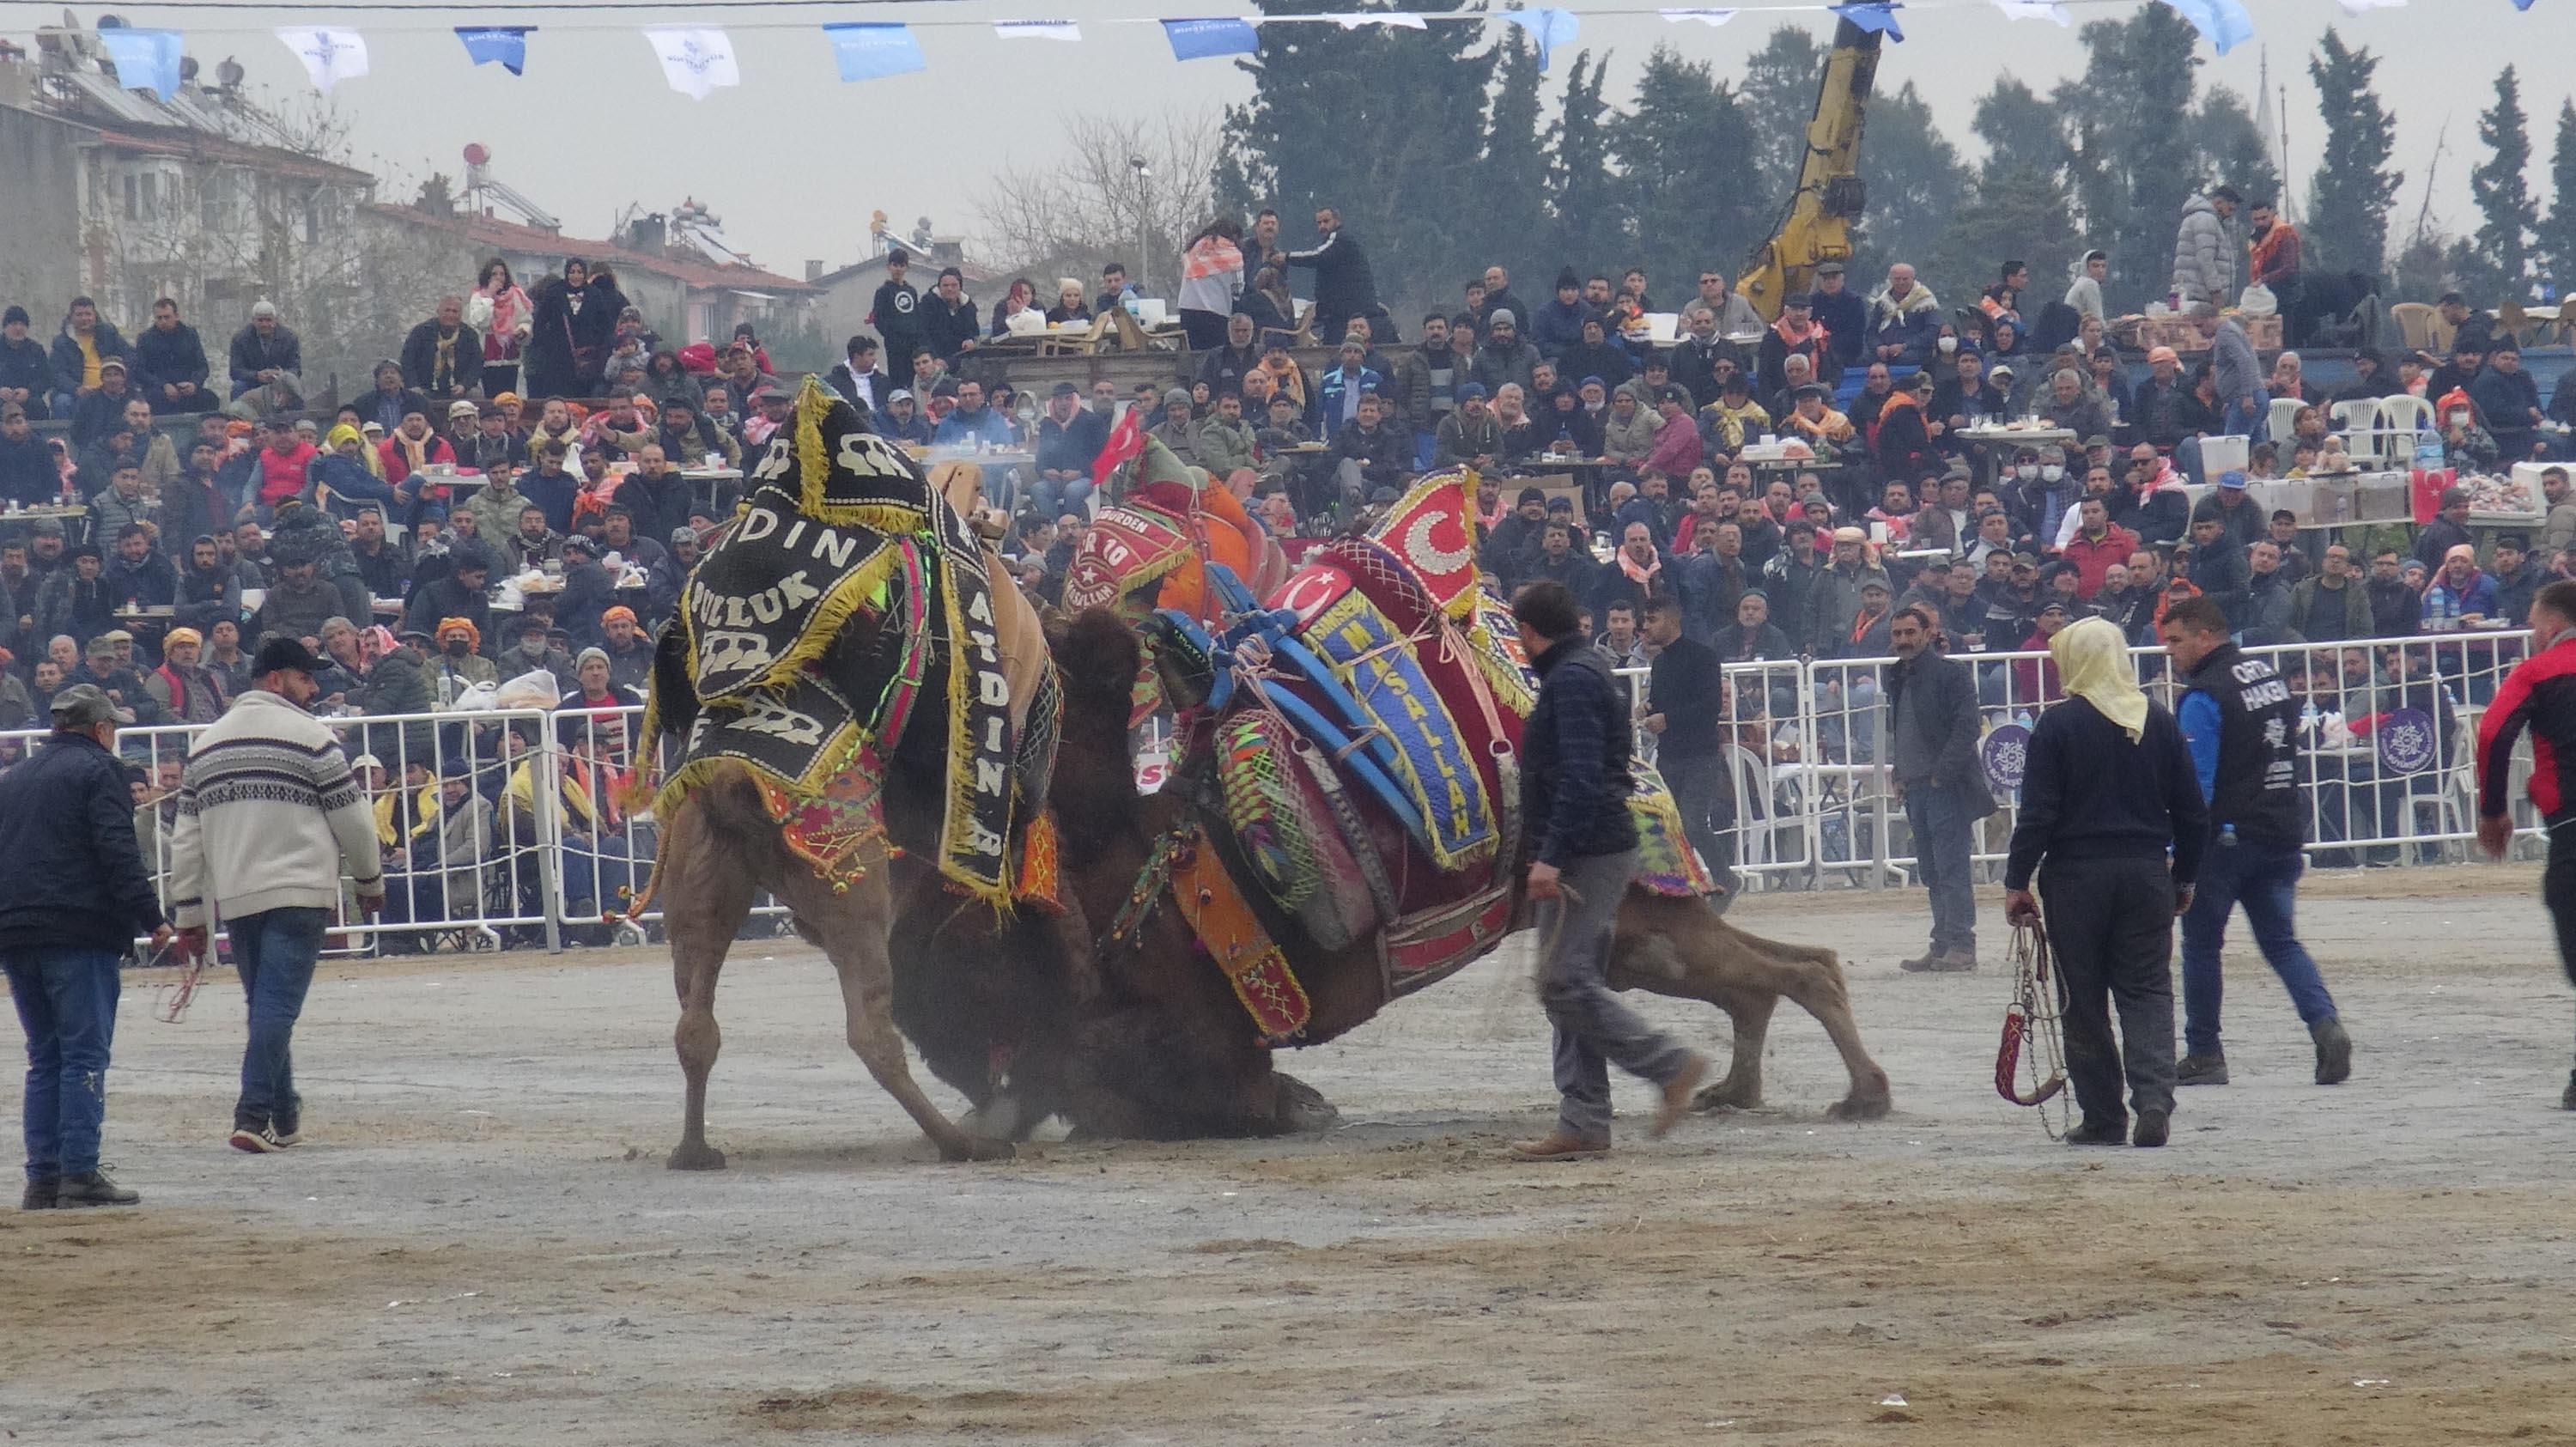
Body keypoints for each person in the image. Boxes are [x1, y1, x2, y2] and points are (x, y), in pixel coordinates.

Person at [1505, 579, 1708, 1161]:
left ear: (1527, 631)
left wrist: (1549, 854)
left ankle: (1671, 1065)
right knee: (1567, 984)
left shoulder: (1571, 681)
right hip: (1586, 843)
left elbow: (1580, 777)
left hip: (1587, 848)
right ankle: (1584, 1121)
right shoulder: (1581, 671)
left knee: (1563, 981)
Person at [168, 636, 386, 1154]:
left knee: (265, 1004)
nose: (314, 689)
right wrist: (369, 881)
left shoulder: (206, 745)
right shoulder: (312, 738)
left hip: (238, 895)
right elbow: (352, 819)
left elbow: (187, 839)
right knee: (276, 1008)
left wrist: (191, 913)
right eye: (306, 678)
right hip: (299, 891)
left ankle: (285, 1113)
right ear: (276, 680)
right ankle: (255, 1115)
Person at [2003, 617, 2208, 1148]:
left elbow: (2038, 813)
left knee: (2083, 999)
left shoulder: (2058, 726)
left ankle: (2103, 1117)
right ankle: (2155, 1101)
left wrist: (2016, 881)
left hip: (2075, 880)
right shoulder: (2158, 721)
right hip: (2145, 876)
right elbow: (2191, 813)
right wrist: (2184, 878)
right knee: (2146, 991)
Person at [2159, 596, 2351, 1089]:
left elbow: (2196, 784)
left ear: (2206, 636)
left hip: (2224, 842)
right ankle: (2325, 1025)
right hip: (2280, 831)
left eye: (2176, 640)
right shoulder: (2267, 677)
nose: (2171, 652)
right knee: (2281, 942)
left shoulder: (2203, 695)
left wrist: (2180, 851)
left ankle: (2204, 1052)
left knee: (2201, 946)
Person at [0, 684, 173, 1208]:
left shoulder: (14, 779)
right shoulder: (102, 771)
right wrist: (152, 917)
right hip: (78, 930)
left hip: (16, 931)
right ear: (101, 730)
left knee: (45, 1057)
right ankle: (80, 1173)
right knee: (84, 1055)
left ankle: (42, 1178)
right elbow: (117, 849)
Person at [2476, 580, 2576, 1107]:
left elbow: (2493, 732)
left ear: (2554, 625)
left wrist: (2493, 810)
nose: (2533, 635)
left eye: (2536, 625)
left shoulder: (2540, 671)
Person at [1887, 605, 1995, 974]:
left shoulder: (1952, 675)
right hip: (1916, 786)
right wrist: (1900, 773)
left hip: (1943, 787)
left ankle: (1962, 944)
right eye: (1897, 634)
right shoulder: (1897, 675)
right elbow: (1899, 728)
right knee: (1932, 871)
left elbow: (1967, 728)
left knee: (1951, 868)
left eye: (1909, 633)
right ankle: (1942, 943)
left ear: (1928, 633)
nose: (1903, 640)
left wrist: (1941, 776)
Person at [1640, 594, 1737, 908]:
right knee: (1672, 828)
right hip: (1670, 756)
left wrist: (1667, 718)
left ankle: (1724, 878)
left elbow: (1709, 706)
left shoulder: (1703, 657)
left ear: (1671, 620)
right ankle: (1683, 887)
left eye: (1652, 620)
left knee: (1693, 823)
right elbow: (1660, 702)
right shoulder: (1660, 663)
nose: (1646, 627)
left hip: (1701, 755)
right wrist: (1648, 709)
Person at [1282, 207, 1385, 351]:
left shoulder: (1339, 237)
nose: (1322, 226)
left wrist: (1287, 257)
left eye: (1326, 221)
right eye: (1319, 223)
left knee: (1340, 350)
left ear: (1337, 221)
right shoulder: (1338, 241)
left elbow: (1317, 256)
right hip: (1339, 312)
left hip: (1346, 312)